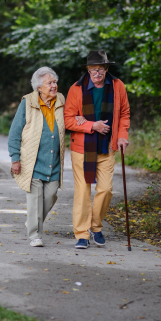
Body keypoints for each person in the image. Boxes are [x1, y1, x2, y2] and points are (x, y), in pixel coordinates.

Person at [64, 50, 130, 249]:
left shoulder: (117, 86)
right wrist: (92, 125)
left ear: (107, 68)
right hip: (82, 148)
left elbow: (125, 113)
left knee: (106, 189)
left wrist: (122, 136)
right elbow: (68, 119)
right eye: (93, 69)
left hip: (107, 147)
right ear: (88, 70)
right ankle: (82, 234)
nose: (97, 73)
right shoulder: (76, 89)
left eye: (100, 69)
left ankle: (95, 226)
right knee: (82, 192)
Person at [8, 67, 66, 247]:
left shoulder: (61, 100)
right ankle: (34, 235)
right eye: (50, 83)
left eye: (55, 82)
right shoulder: (27, 103)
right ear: (39, 87)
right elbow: (14, 132)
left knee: (50, 196)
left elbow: (69, 120)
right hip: (32, 161)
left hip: (54, 162)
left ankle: (33, 220)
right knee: (34, 199)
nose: (54, 86)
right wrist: (15, 158)